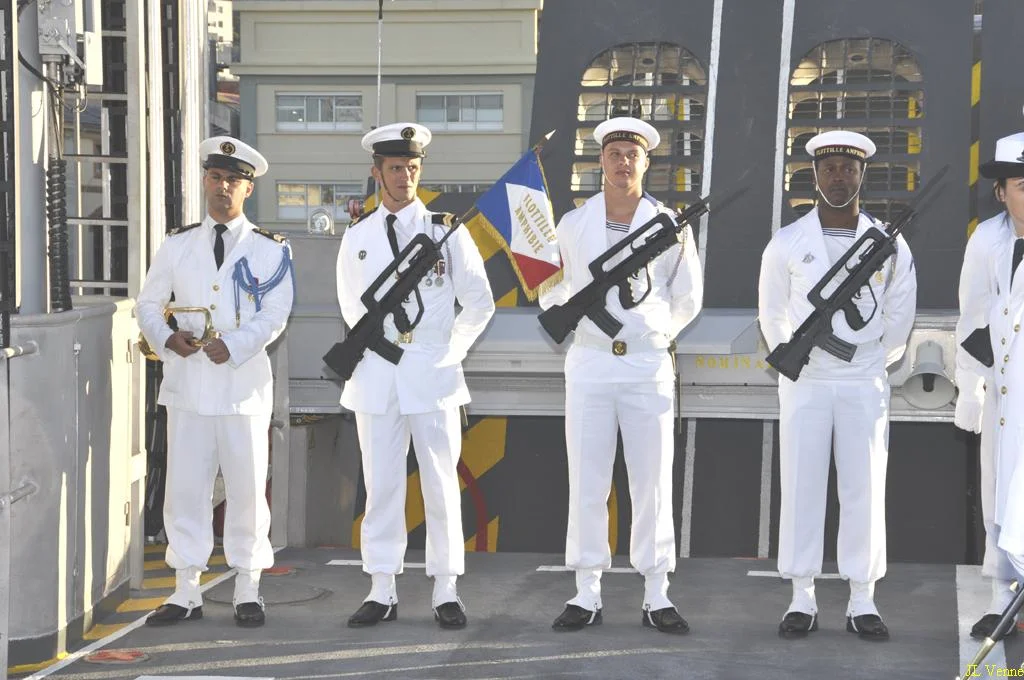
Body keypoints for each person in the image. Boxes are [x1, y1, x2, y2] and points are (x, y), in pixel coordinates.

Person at [539, 116, 703, 634]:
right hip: (589, 360)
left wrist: (652, 333)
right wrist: (582, 315)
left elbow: (688, 296)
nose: (622, 162)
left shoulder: (671, 224)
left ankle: (657, 593)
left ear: (646, 162)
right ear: (601, 161)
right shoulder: (572, 224)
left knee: (651, 481)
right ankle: (587, 591)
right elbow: (550, 289)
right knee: (588, 479)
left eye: (632, 154)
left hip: (646, 364)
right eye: (614, 153)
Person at [758, 130, 917, 641]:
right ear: (814, 176)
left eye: (849, 168)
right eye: (829, 168)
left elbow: (899, 314)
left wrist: (869, 358)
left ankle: (862, 599)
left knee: (864, 487)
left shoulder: (890, 245)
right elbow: (773, 314)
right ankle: (801, 597)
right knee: (802, 484)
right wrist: (802, 356)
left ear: (862, 175)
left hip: (861, 378)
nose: (839, 177)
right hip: (806, 379)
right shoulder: (786, 242)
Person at [336, 122, 495, 630]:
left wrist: (450, 353)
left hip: (433, 373)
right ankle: (381, 588)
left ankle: (446, 588)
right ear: (376, 172)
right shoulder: (357, 236)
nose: (404, 176)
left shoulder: (446, 230)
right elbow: (350, 306)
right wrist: (381, 349)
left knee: (440, 486)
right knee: (382, 486)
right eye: (395, 168)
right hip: (377, 375)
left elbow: (479, 301)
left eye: (412, 167)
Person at [136, 136, 294, 627]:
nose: (222, 187)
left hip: (242, 386)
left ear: (248, 189)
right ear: (205, 181)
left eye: (233, 180)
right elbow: (147, 304)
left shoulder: (270, 249)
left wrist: (241, 343)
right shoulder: (178, 244)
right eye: (215, 178)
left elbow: (277, 313)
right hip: (188, 384)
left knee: (246, 489)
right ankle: (186, 590)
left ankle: (248, 586)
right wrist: (167, 339)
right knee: (186, 489)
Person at [954, 132, 1024, 640]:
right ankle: (1002, 598)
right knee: (999, 493)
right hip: (1003, 392)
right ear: (1001, 192)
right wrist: (969, 388)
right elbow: (973, 318)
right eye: (1021, 185)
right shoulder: (987, 240)